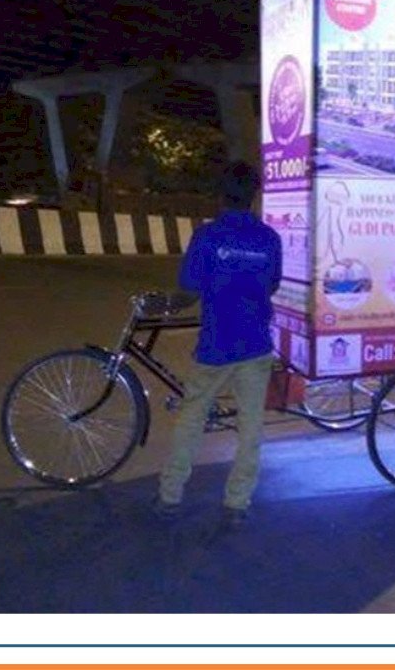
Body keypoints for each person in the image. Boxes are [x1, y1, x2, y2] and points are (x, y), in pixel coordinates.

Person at [154, 161, 282, 527]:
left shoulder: (207, 236)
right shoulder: (269, 238)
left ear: (220, 195)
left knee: (192, 418)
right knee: (250, 426)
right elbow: (272, 284)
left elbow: (189, 289)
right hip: (255, 344)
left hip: (215, 346)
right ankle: (236, 503)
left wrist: (164, 304)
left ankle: (170, 496)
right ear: (254, 195)